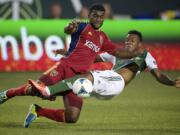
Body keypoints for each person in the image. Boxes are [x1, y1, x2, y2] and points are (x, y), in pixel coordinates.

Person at [0, 5, 140, 126]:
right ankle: (7, 94)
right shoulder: (82, 26)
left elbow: (118, 52)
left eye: (101, 17)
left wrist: (136, 54)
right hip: (63, 68)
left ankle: (37, 111)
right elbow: (68, 29)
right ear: (89, 16)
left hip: (79, 79)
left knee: (72, 117)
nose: (98, 19)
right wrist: (70, 27)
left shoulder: (102, 37)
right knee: (36, 89)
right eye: (95, 16)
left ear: (104, 18)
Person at [24, 30, 180, 127]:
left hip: (116, 81)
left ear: (140, 44)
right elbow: (92, 56)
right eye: (126, 40)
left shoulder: (145, 55)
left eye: (132, 40)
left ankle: (48, 91)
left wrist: (172, 82)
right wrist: (67, 52)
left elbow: (158, 75)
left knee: (85, 77)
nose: (128, 42)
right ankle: (39, 110)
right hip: (107, 87)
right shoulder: (117, 54)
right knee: (71, 116)